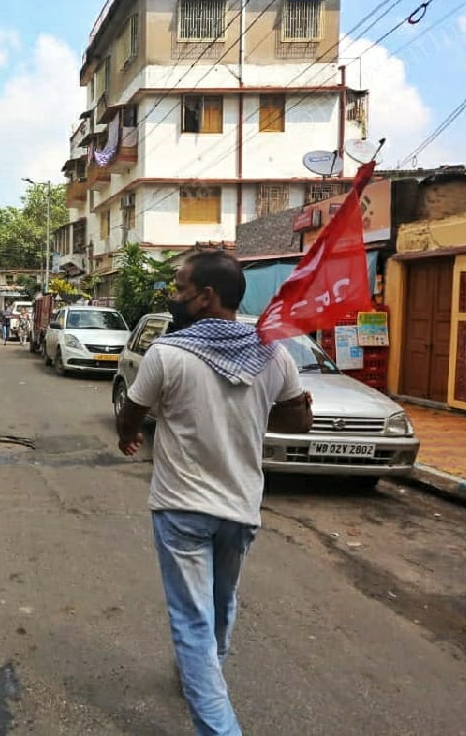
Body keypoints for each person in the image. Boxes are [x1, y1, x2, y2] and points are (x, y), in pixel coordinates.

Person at [114, 250, 313, 736]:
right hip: (240, 507)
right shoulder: (272, 353)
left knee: (192, 622)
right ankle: (206, 676)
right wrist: (289, 401)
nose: (174, 297)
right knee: (221, 604)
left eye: (181, 289)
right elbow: (298, 422)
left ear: (207, 297)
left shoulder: (168, 353)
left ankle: (219, 725)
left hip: (181, 507)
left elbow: (131, 410)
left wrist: (128, 434)